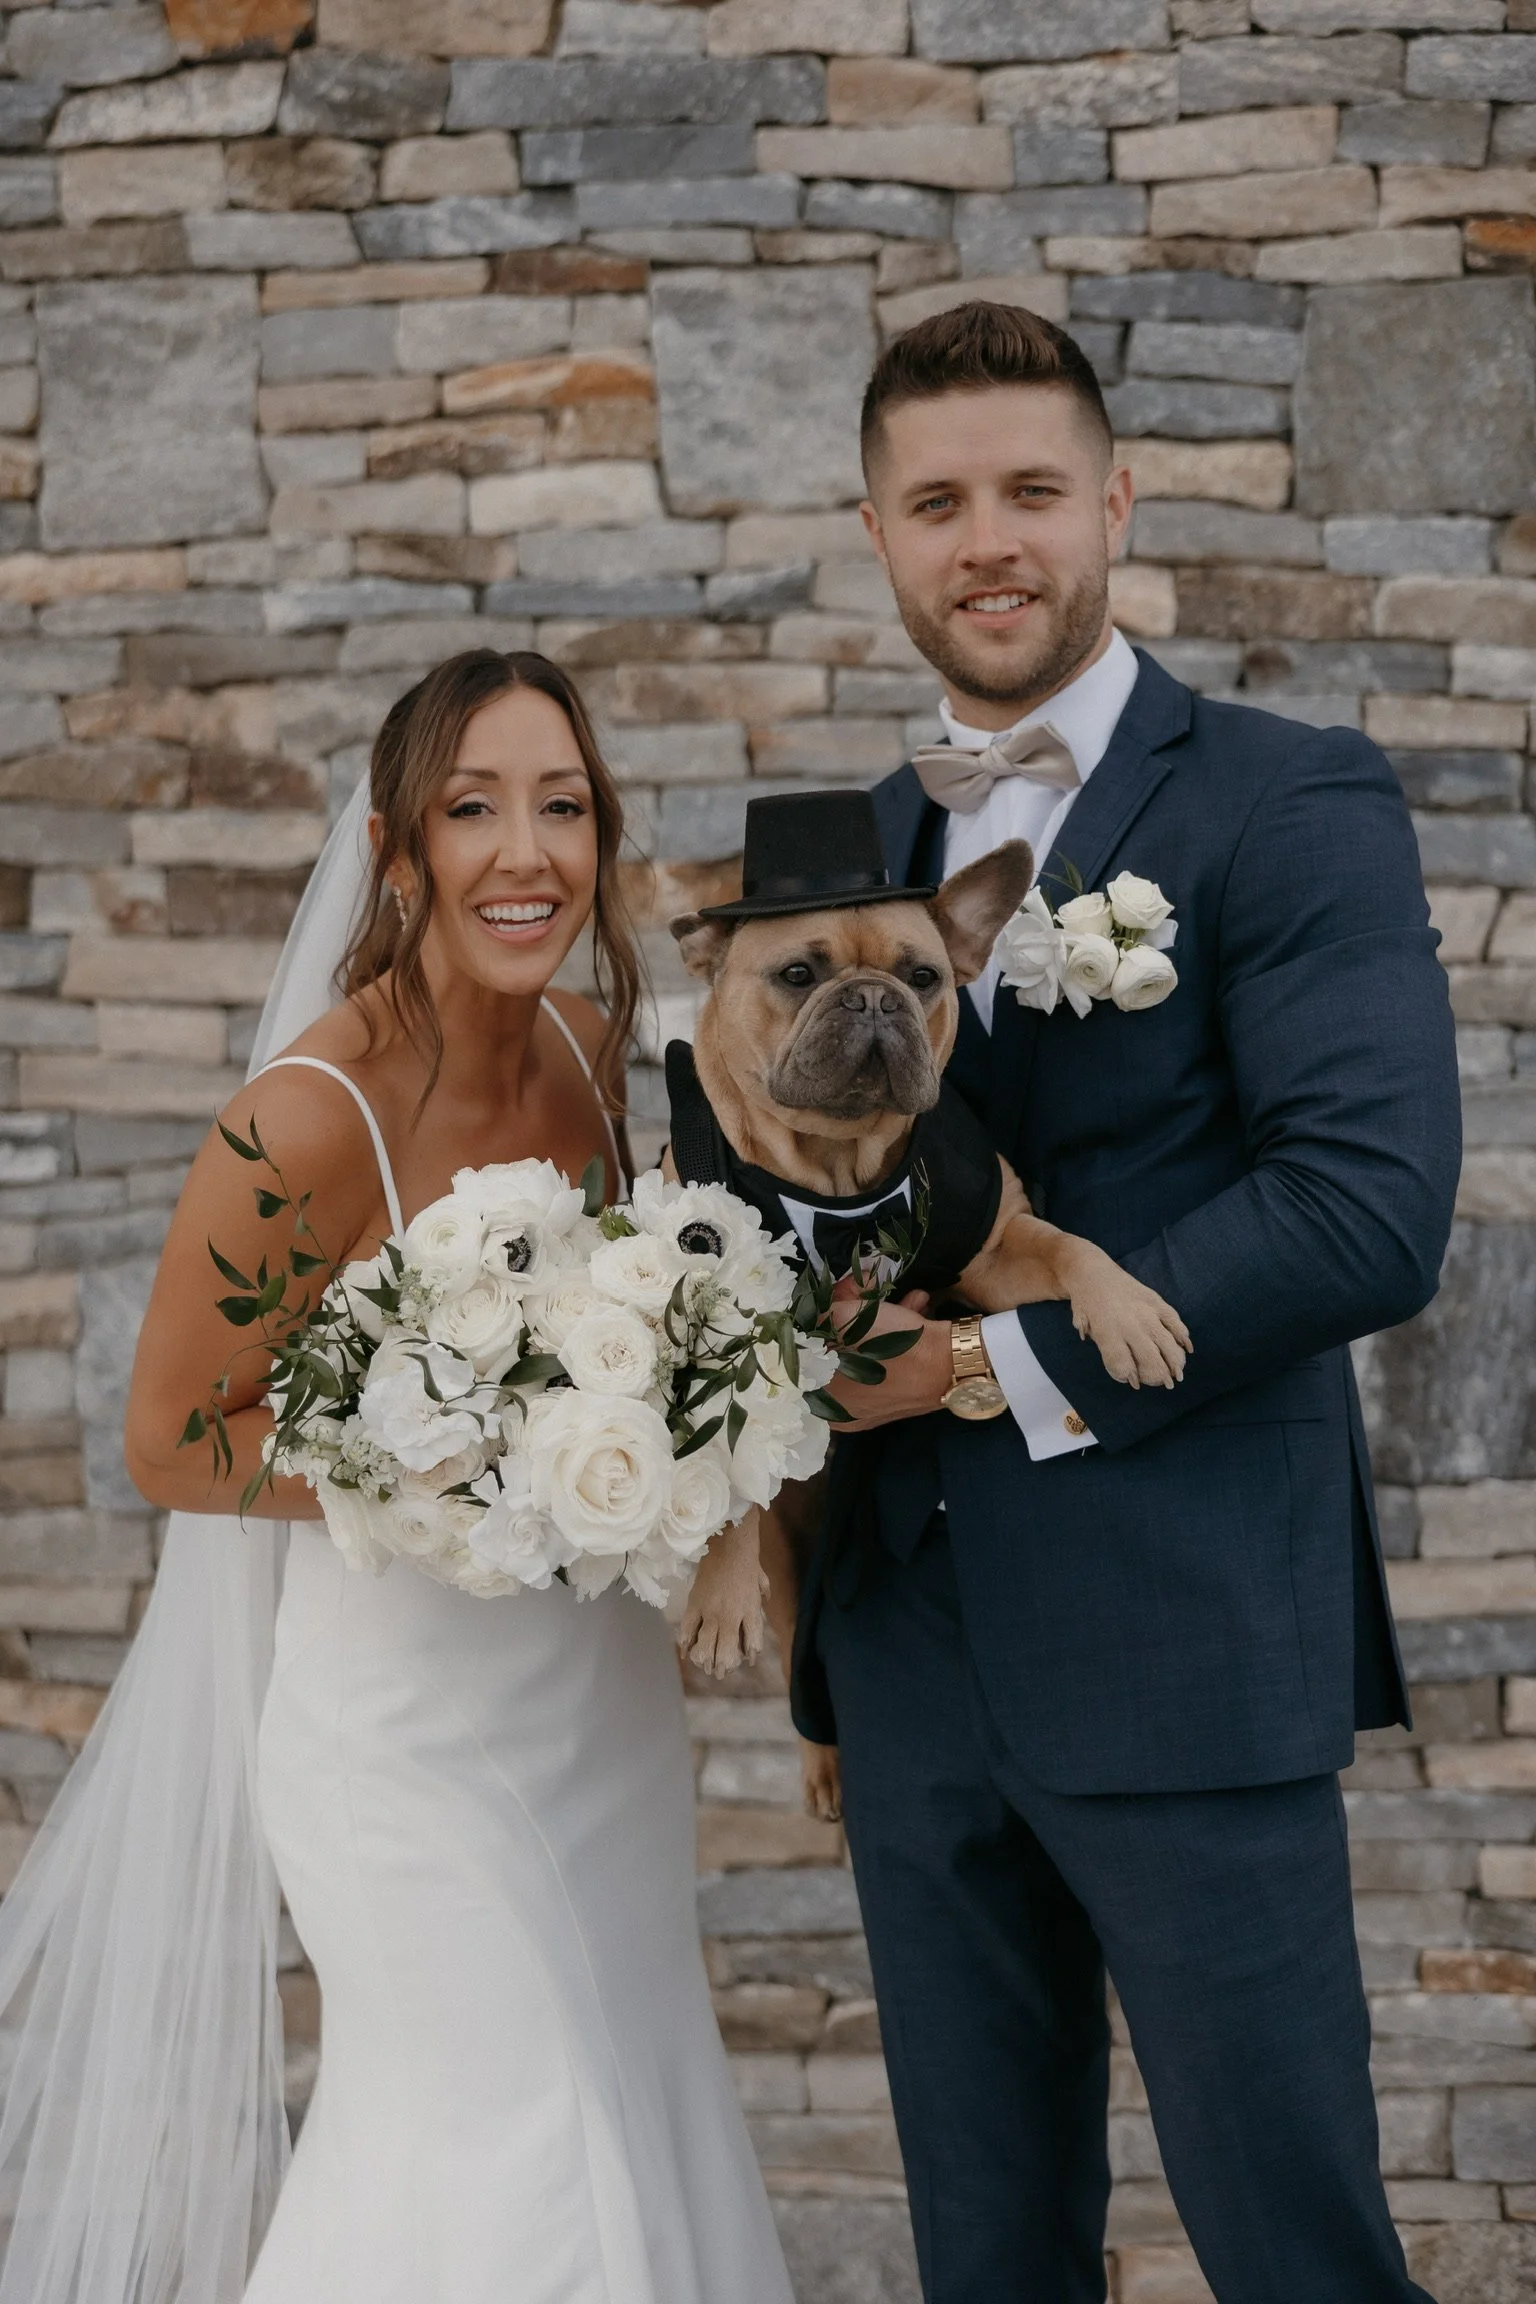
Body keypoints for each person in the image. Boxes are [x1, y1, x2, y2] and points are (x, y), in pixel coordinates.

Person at [789, 302, 1460, 2304]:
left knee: (1297, 2254)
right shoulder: (859, 849)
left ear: (1115, 503)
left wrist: (985, 1366)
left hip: (1186, 1651)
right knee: (988, 2267)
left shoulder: (1290, 798)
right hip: (911, 1667)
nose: (986, 540)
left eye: (1027, 492)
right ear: (880, 534)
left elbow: (1365, 1215)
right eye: (937, 503)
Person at [0, 650, 794, 2304]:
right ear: (397, 845)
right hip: (404, 1739)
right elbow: (173, 1436)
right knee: (497, 2122)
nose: (526, 853)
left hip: (589, 1704)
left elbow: (649, 1339)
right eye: (474, 809)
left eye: (563, 808)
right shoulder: (303, 1116)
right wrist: (441, 1483)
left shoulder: (590, 1048)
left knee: (630, 2074)